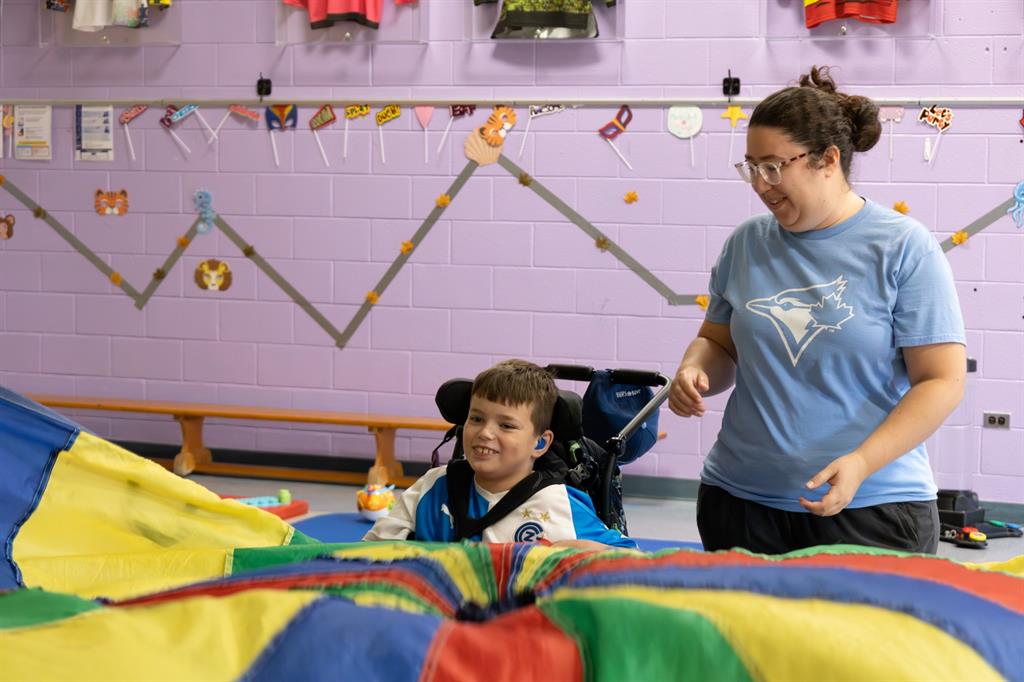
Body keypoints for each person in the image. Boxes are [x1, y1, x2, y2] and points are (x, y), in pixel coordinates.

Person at [670, 66, 966, 555]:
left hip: (872, 507)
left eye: (773, 166)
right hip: (741, 501)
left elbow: (941, 381)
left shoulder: (902, 247)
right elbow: (720, 343)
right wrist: (695, 368)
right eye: (751, 167)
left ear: (828, 160)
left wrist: (863, 462)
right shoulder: (746, 243)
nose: (761, 185)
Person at [364, 359, 637, 549]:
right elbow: (370, 551)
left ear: (540, 444)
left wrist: (577, 549)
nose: (485, 433)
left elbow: (630, 558)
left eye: (506, 425)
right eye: (476, 419)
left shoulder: (557, 504)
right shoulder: (434, 485)